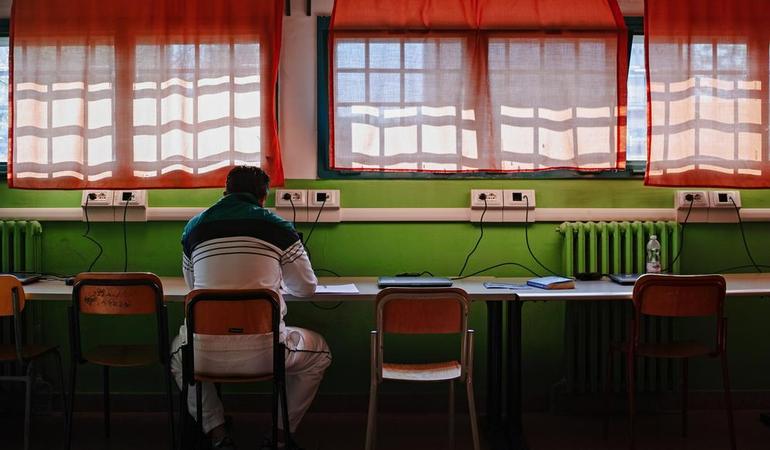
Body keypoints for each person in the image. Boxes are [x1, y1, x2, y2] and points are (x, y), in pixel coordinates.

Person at [170, 166, 331, 450]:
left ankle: (217, 432)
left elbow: (193, 286)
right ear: (263, 197)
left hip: (204, 354)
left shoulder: (193, 228)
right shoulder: (278, 227)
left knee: (178, 356)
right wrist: (275, 283)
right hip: (266, 353)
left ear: (225, 192)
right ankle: (280, 434)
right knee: (319, 354)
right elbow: (306, 288)